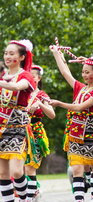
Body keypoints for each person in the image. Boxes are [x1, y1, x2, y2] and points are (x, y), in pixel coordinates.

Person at [49, 47, 93, 202]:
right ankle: (79, 199)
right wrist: (56, 54)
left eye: (87, 72)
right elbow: (65, 72)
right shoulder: (81, 88)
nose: (84, 75)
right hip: (75, 133)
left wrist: (59, 103)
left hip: (92, 133)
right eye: (83, 72)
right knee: (77, 169)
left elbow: (80, 107)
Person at [0, 39, 36, 202]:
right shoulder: (3, 76)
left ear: (22, 57)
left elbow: (15, 87)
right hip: (1, 128)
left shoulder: (26, 75)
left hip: (18, 127)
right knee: (2, 173)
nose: (7, 56)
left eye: (12, 53)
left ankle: (25, 198)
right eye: (6, 53)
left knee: (16, 171)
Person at [25, 65, 56, 201]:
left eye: (33, 76)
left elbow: (52, 115)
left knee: (30, 166)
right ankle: (33, 190)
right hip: (20, 131)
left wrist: (40, 104)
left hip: (35, 133)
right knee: (18, 169)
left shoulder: (42, 95)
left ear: (38, 78)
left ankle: (30, 196)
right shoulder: (20, 93)